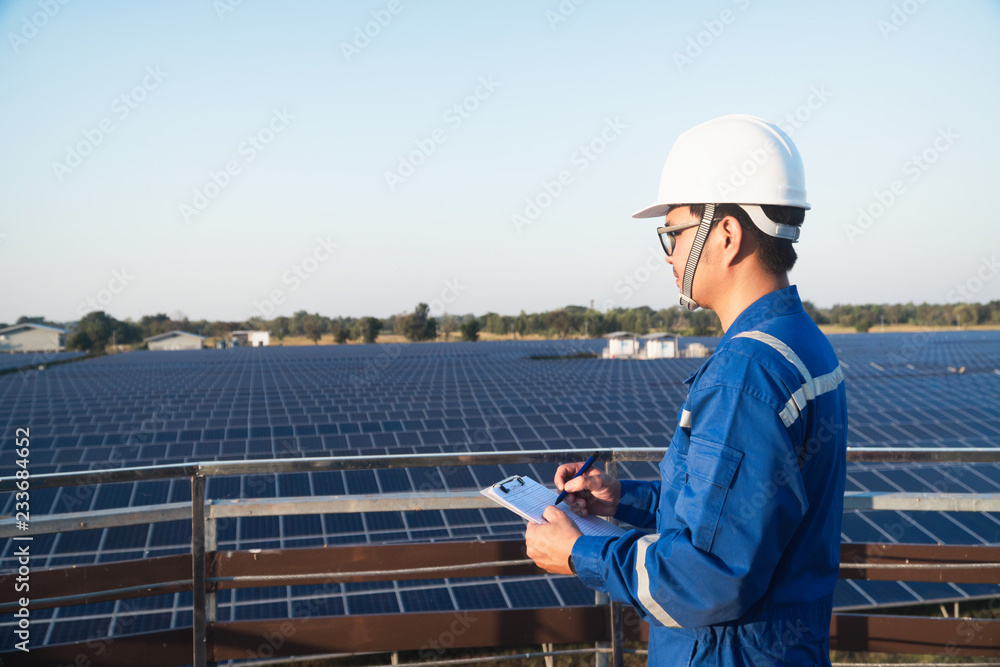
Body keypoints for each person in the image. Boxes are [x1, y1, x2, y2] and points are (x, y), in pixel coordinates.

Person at [524, 114, 848, 665]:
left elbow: (708, 580)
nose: (669, 254)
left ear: (726, 234)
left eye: (672, 233)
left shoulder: (746, 374)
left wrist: (581, 551)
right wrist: (623, 500)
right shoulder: (800, 342)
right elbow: (737, 516)